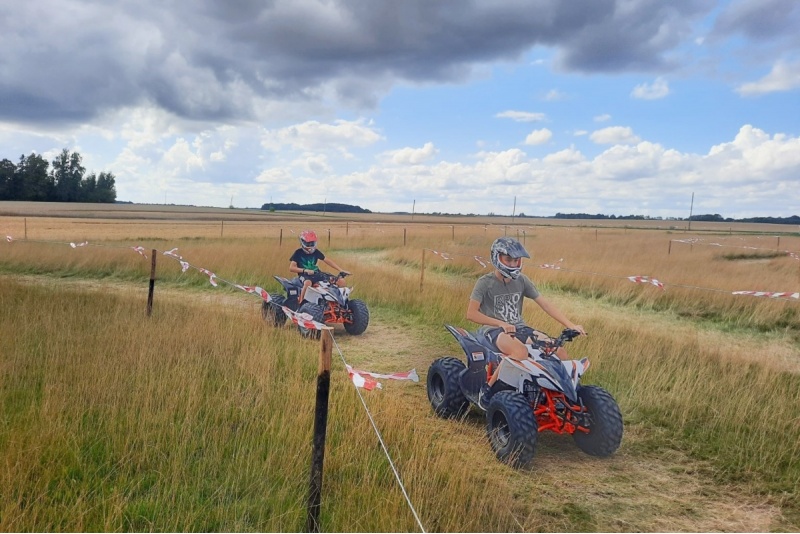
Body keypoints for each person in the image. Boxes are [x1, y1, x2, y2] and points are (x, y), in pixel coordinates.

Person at [466, 237, 586, 408]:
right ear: (496, 257)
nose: (513, 264)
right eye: (508, 259)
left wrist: (570, 324)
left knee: (558, 350)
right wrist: (500, 323)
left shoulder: (522, 280)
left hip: (519, 328)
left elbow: (544, 304)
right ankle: (487, 390)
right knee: (520, 352)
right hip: (492, 330)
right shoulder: (484, 283)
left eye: (516, 260)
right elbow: (471, 314)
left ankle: (560, 394)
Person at [289, 230, 350, 303]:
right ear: (302, 242)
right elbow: (291, 268)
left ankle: (342, 303)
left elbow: (327, 260)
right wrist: (305, 270)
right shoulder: (298, 253)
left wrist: (340, 270)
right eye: (308, 243)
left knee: (341, 281)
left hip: (317, 273)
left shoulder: (316, 252)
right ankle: (301, 303)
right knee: (308, 283)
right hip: (304, 275)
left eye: (312, 243)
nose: (310, 246)